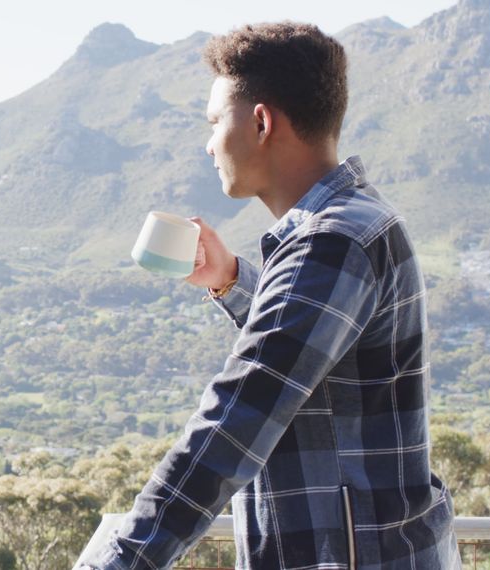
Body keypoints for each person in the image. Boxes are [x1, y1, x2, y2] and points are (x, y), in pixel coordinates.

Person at [80, 22, 460, 570]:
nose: (209, 143)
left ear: (260, 122)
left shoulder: (330, 241)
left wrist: (118, 561)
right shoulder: (354, 223)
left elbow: (237, 419)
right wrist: (232, 279)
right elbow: (325, 356)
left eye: (214, 122)